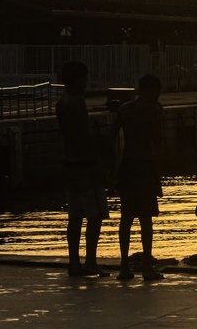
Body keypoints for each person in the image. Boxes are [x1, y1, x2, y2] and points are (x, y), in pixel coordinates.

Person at [56, 60, 109, 277]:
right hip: (85, 167)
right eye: (85, 79)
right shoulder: (77, 102)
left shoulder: (61, 103)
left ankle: (74, 262)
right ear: (78, 80)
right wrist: (99, 165)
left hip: (69, 166)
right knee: (94, 215)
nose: (86, 83)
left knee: (75, 216)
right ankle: (91, 261)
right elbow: (84, 138)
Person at [112, 74, 165, 281]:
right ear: (150, 91)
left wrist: (113, 170)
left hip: (127, 165)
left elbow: (112, 137)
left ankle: (124, 265)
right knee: (145, 219)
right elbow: (157, 139)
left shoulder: (124, 110)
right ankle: (146, 268)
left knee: (126, 218)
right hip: (145, 165)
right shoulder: (152, 110)